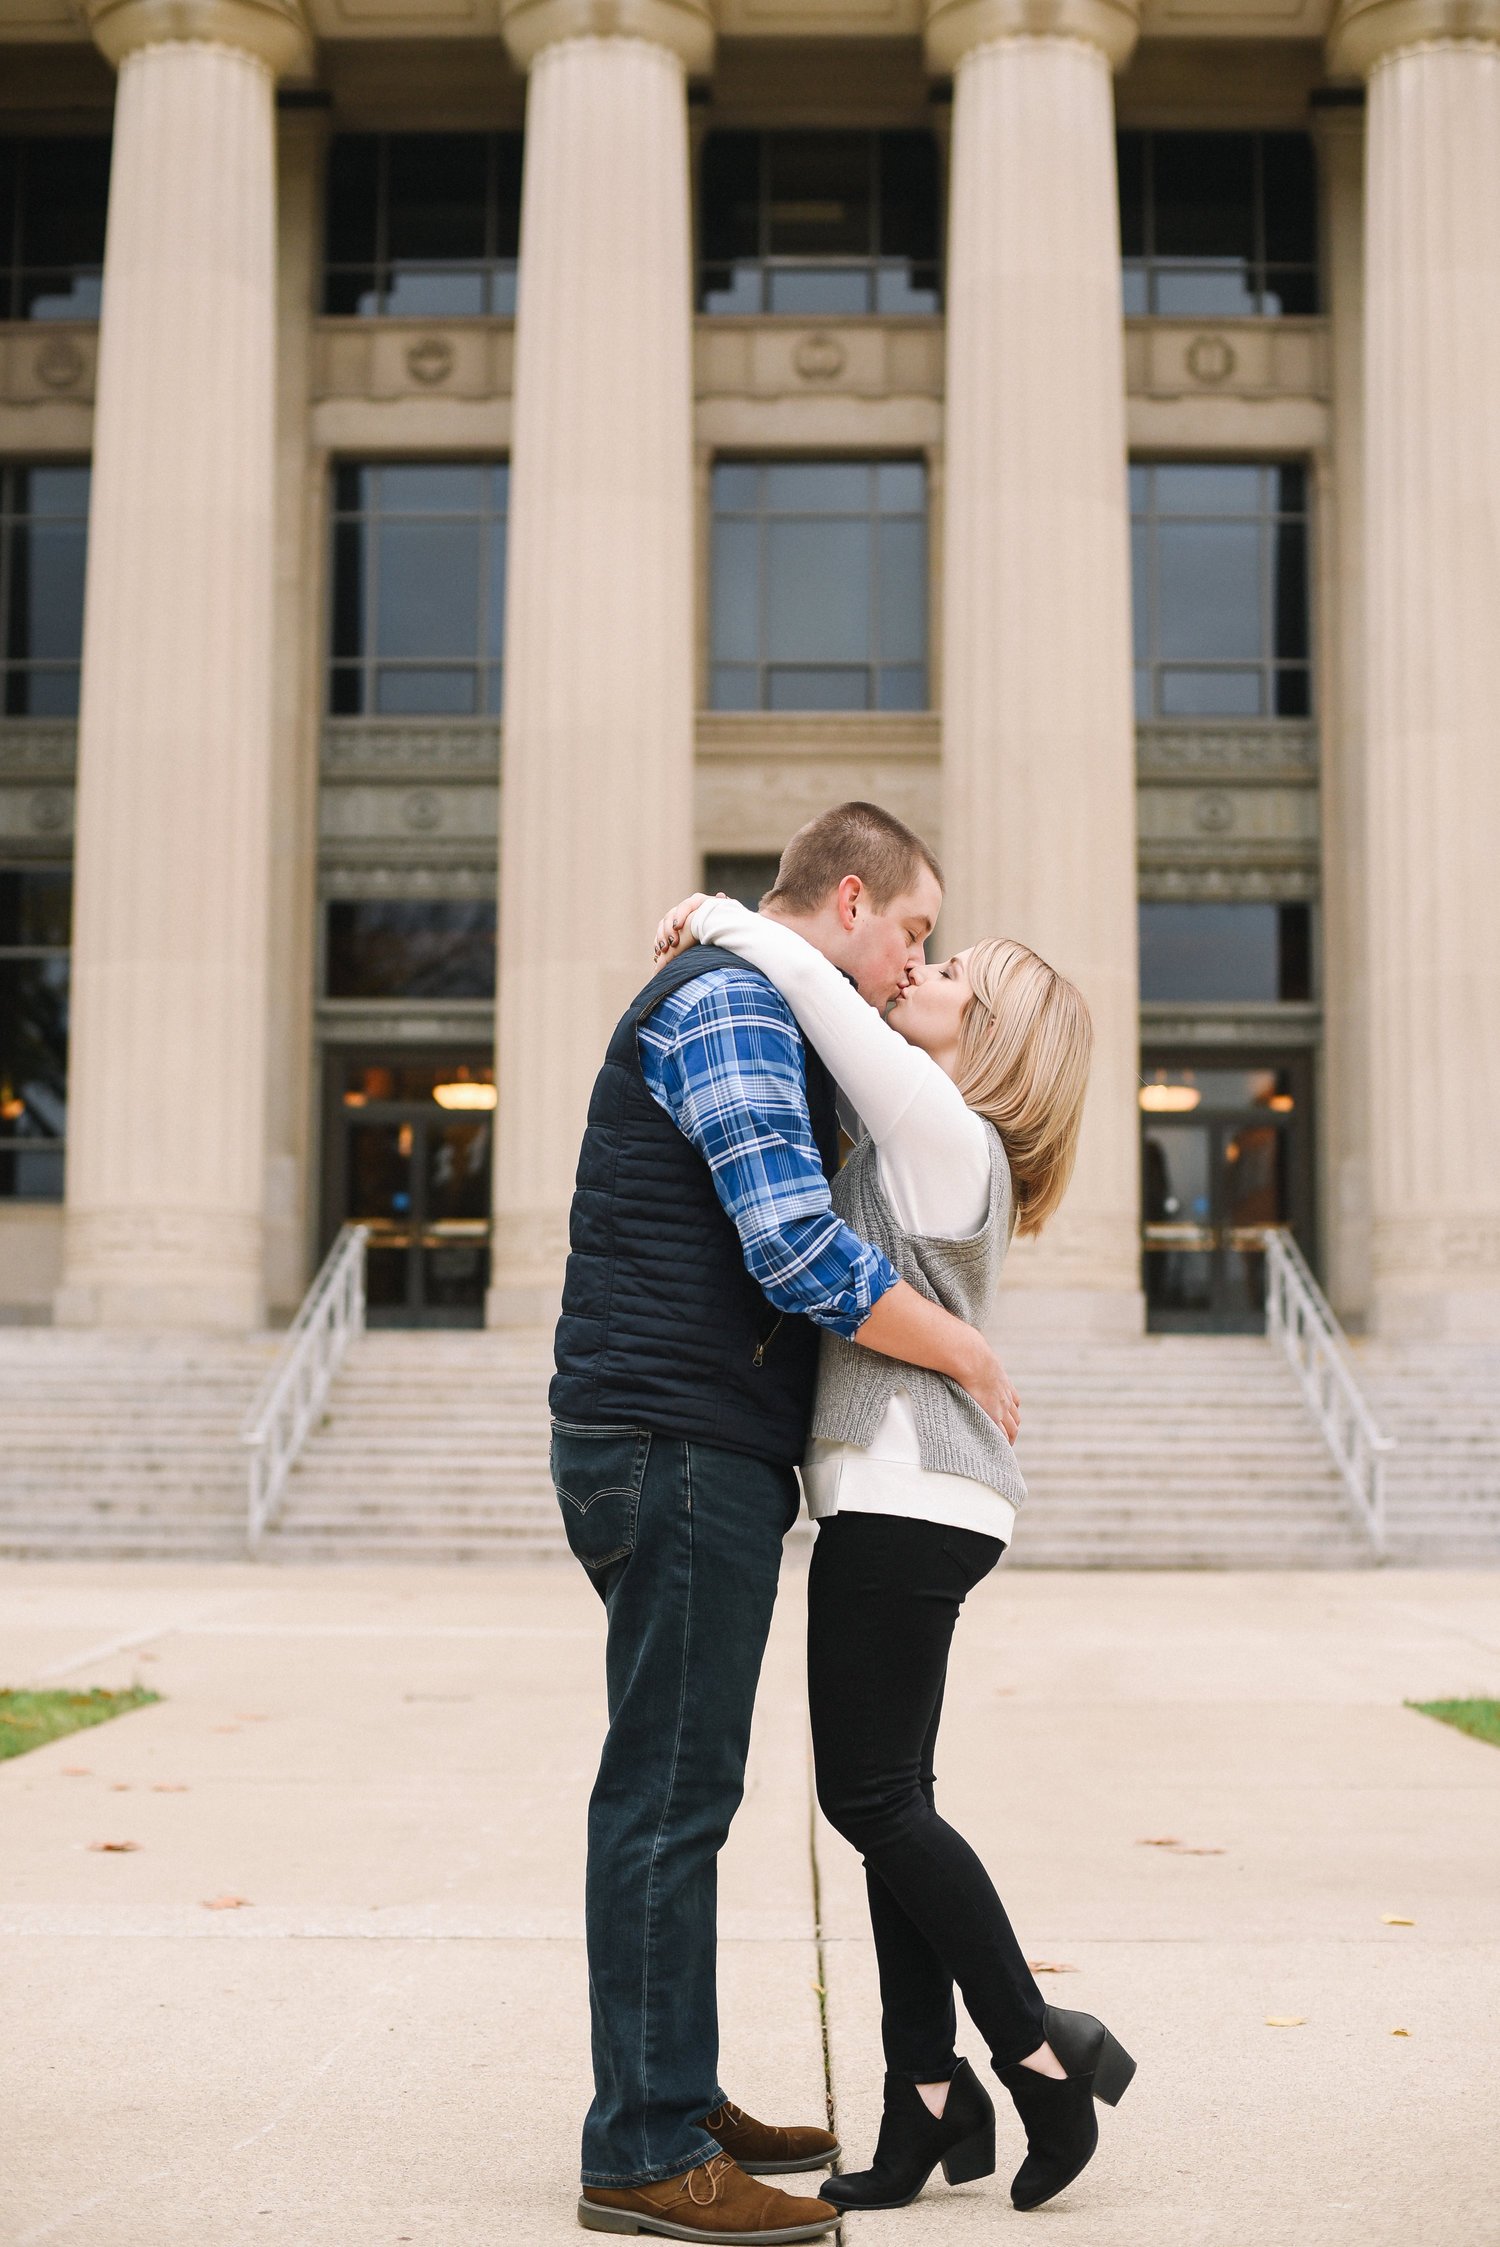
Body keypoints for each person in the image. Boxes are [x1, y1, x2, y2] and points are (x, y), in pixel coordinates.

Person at [550, 803, 1021, 2245]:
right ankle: (642, 2149)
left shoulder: (766, 998)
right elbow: (795, 1244)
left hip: (704, 1436)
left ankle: (671, 2098)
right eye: (918, 935)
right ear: (858, 900)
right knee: (671, 1793)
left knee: (689, 1787)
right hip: (675, 1435)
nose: (913, 963)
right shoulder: (736, 1003)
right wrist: (966, 1350)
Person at [651, 885, 1137, 2218]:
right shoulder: (937, 1134)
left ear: (990, 1031)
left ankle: (1038, 2057)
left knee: (873, 1805)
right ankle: (924, 2100)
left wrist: (727, 918)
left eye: (951, 969)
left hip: (909, 1490)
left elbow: (824, 999)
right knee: (888, 1804)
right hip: (916, 1493)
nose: (921, 967)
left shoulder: (942, 1122)